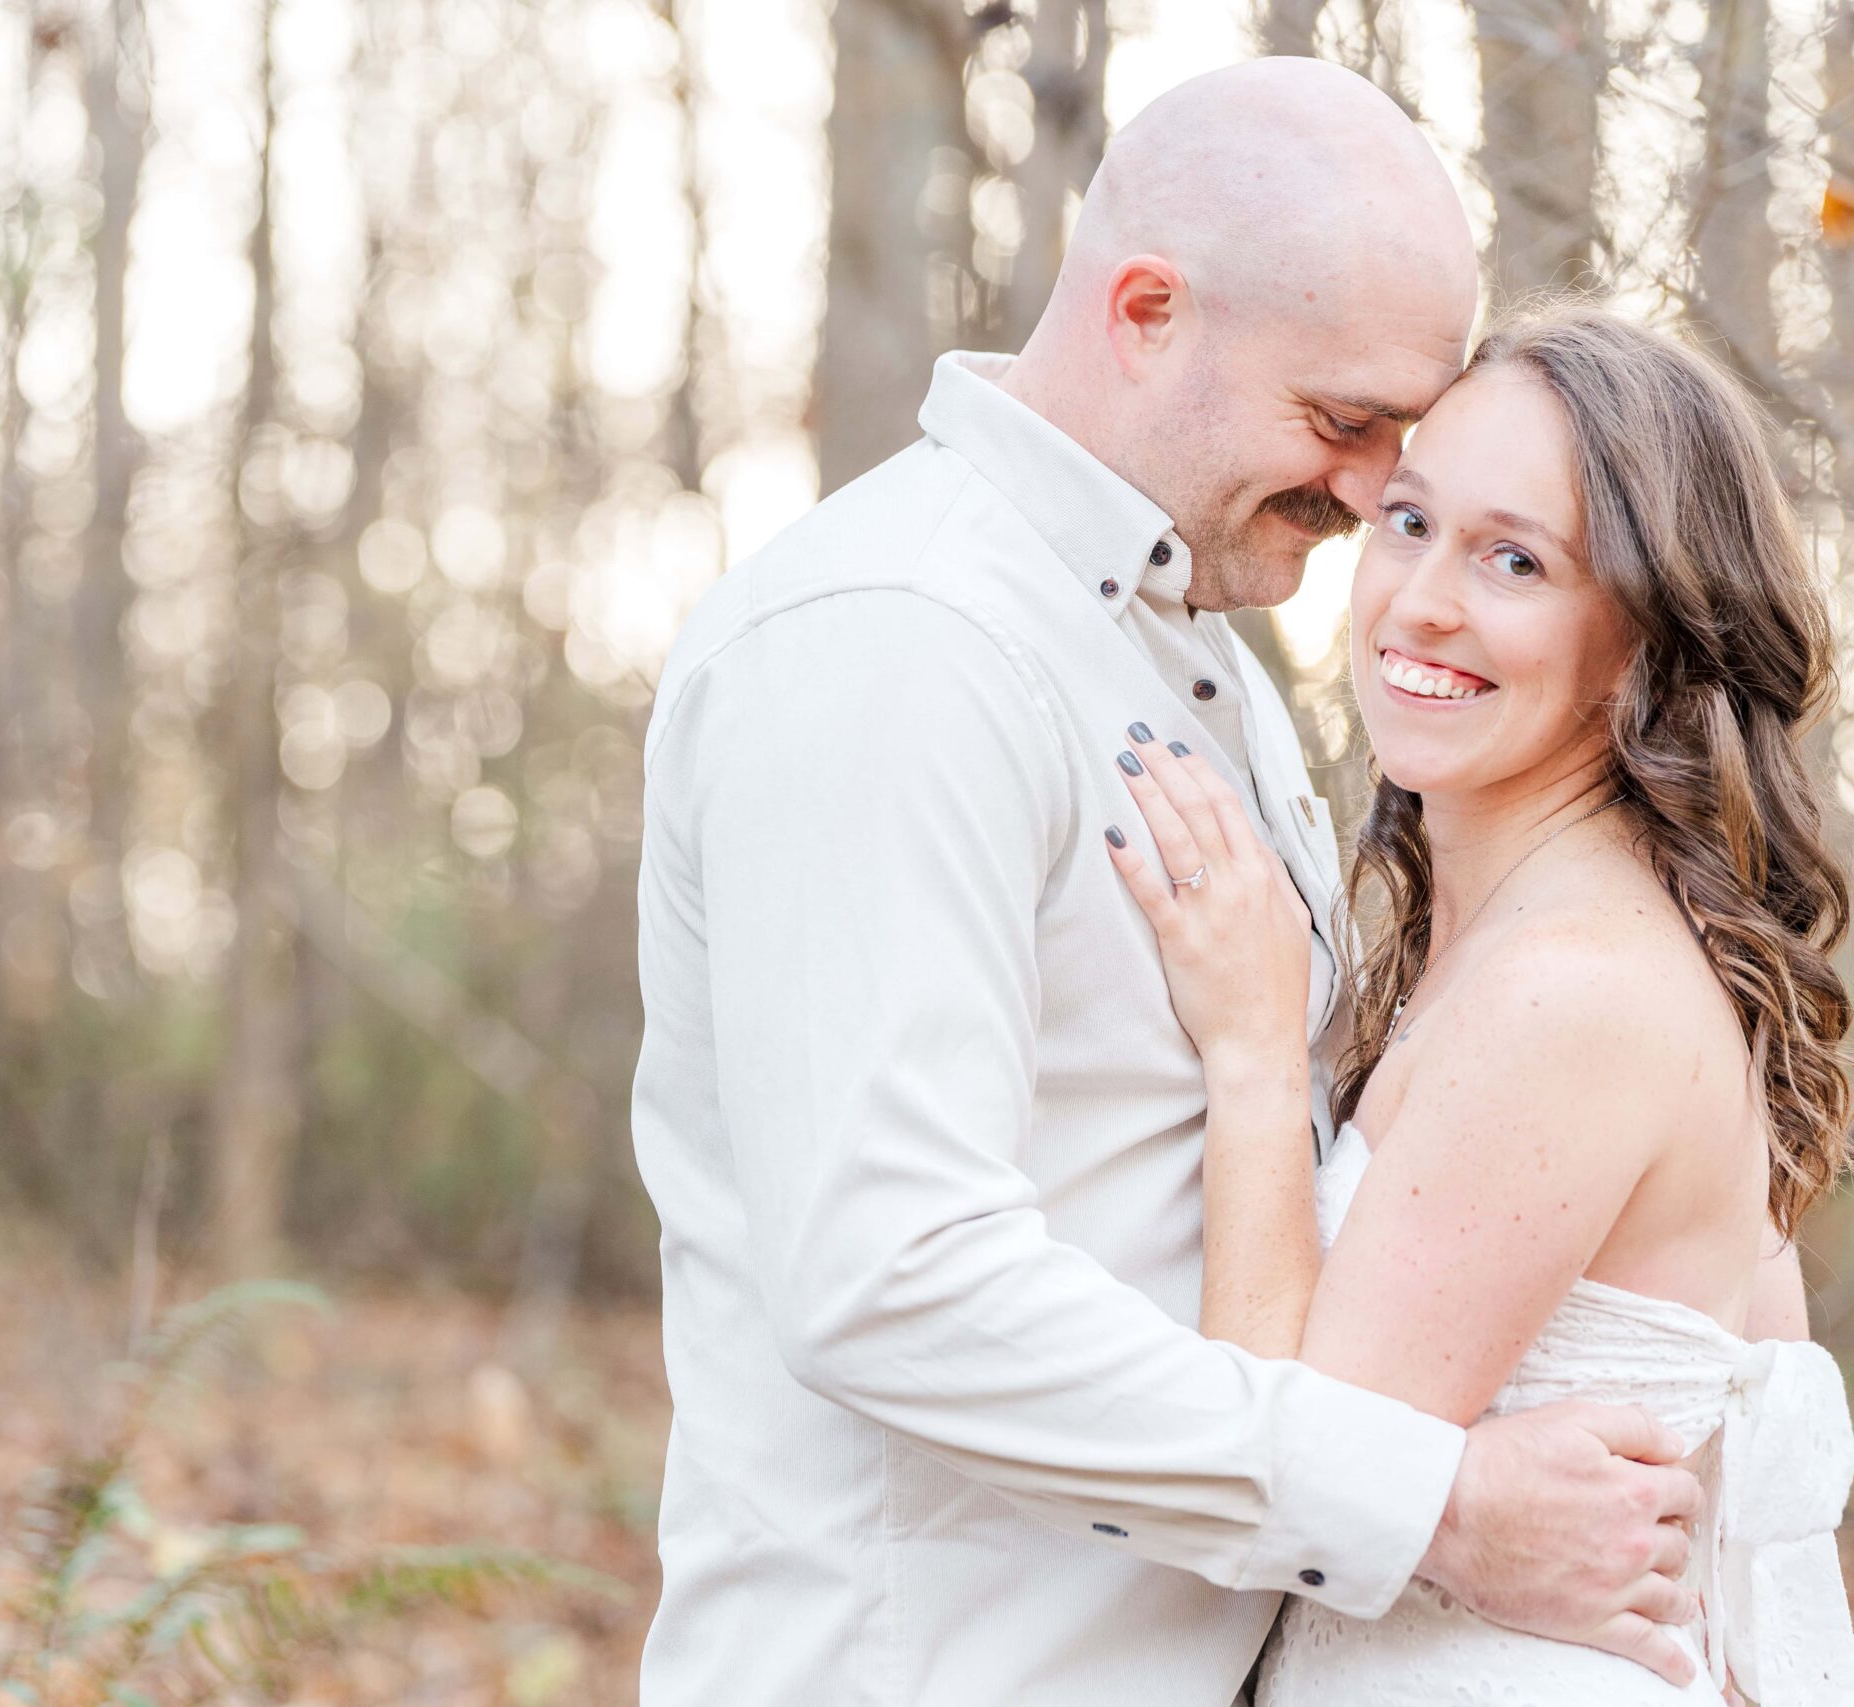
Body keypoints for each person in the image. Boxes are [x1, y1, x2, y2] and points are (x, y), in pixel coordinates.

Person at [630, 58, 1712, 1706]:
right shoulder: (899, 646)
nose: (1370, 500)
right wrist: (1431, 1509)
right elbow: (892, 1279)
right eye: (1344, 425)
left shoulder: (1180, 651)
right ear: (1146, 309)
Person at [1104, 307, 1854, 1704]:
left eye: (1514, 559)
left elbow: (1288, 1482)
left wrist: (1258, 1059)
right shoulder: (1564, 946)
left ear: (1644, 642)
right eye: (1408, 523)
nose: (1422, 602)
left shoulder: (1572, 992)